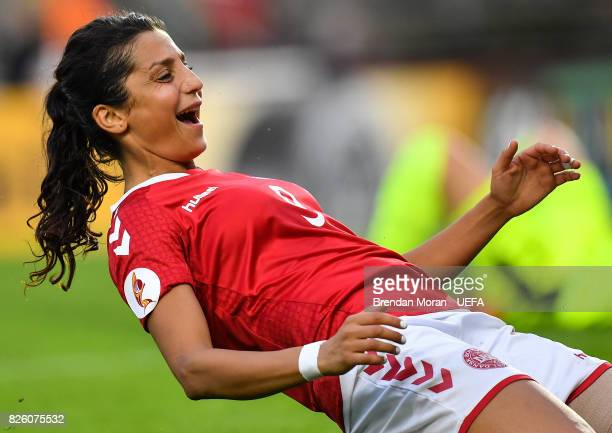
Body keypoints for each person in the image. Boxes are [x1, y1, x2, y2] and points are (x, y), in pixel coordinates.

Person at [27, 12, 612, 433]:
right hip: (389, 364)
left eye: (185, 64)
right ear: (110, 116)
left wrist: (497, 208)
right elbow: (195, 369)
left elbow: (391, 281)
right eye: (162, 76)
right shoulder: (142, 219)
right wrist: (323, 356)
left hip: (450, 326)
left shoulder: (240, 186)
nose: (193, 82)